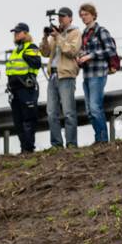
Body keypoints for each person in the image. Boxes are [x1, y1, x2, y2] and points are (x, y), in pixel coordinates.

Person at [39, 8, 81, 148]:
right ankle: (56, 144)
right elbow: (44, 53)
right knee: (51, 113)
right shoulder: (56, 34)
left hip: (66, 75)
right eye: (59, 17)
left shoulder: (75, 33)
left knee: (68, 112)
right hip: (53, 76)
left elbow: (71, 51)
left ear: (70, 18)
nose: (61, 19)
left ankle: (71, 143)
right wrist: (45, 37)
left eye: (63, 17)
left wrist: (58, 37)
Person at [76, 3, 116, 144]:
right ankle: (98, 138)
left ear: (93, 14)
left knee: (95, 107)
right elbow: (83, 52)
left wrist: (91, 55)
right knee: (89, 110)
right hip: (86, 75)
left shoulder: (101, 31)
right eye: (81, 15)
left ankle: (103, 139)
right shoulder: (84, 34)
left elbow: (111, 50)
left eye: (86, 14)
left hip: (98, 74)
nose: (84, 17)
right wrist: (80, 57)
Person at [4, 22, 43, 153]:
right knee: (18, 120)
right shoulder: (16, 50)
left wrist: (27, 56)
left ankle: (29, 148)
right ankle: (24, 148)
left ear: (26, 33)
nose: (15, 34)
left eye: (18, 32)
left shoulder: (30, 46)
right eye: (14, 32)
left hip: (27, 88)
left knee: (28, 118)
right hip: (15, 89)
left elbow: (37, 63)